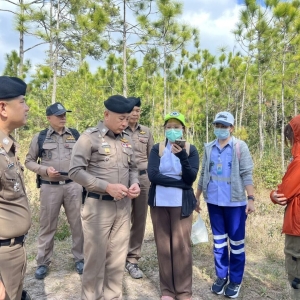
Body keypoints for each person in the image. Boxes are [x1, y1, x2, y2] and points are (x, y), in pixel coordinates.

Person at [68, 95, 140, 300]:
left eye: (128, 118)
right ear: (106, 114)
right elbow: (75, 171)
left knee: (117, 261)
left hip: (123, 207)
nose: (126, 123)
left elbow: (133, 168)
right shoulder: (89, 137)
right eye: (121, 119)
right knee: (95, 261)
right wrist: (106, 187)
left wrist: (134, 183)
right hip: (98, 209)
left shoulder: (127, 138)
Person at [195, 111, 255, 299]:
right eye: (217, 126)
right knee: (219, 242)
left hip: (235, 203)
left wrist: (251, 198)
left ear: (231, 128)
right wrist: (197, 196)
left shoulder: (239, 146)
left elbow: (246, 173)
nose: (220, 129)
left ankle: (235, 280)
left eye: (224, 126)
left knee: (236, 244)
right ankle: (221, 276)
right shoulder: (209, 147)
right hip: (214, 201)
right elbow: (204, 173)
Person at [25, 102, 84, 280]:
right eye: (59, 115)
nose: (63, 117)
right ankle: (43, 262)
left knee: (78, 224)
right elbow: (29, 161)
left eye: (64, 114)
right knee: (47, 225)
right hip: (49, 187)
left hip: (73, 185)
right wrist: (45, 170)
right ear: (49, 118)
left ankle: (80, 259)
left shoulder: (75, 135)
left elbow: (85, 158)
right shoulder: (40, 137)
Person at [147, 111, 199, 300]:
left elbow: (191, 177)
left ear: (183, 129)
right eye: (169, 127)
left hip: (181, 204)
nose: (172, 130)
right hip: (159, 202)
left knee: (182, 247)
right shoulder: (157, 148)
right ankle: (167, 291)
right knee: (163, 247)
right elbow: (152, 175)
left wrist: (182, 157)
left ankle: (184, 292)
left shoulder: (191, 149)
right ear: (164, 129)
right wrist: (180, 183)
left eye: (176, 127)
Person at [0, 76, 31, 300]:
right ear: (3, 107)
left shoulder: (7, 146)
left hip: (12, 250)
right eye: (22, 101)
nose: (27, 107)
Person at [270, 115, 300, 300]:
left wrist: (272, 194)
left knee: (296, 268)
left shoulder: (298, 161)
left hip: (297, 227)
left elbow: (284, 192)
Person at [124, 97, 154, 279]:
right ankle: (116, 256)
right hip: (122, 179)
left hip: (143, 180)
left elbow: (152, 158)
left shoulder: (146, 132)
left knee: (140, 219)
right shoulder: (119, 130)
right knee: (120, 218)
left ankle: (133, 259)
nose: (135, 113)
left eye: (138, 110)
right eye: (132, 110)